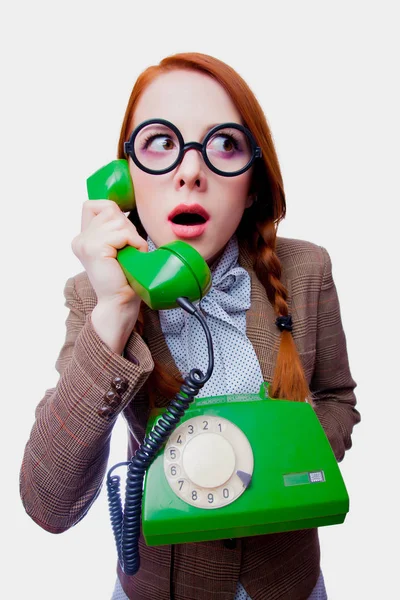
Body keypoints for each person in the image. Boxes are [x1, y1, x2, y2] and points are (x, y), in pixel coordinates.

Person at [20, 52, 360, 600]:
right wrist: (115, 311)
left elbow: (337, 397)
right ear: (123, 181)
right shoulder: (96, 296)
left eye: (225, 144)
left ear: (253, 184)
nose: (190, 171)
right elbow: (48, 504)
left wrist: (285, 460)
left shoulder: (306, 271)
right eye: (160, 142)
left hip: (288, 582)